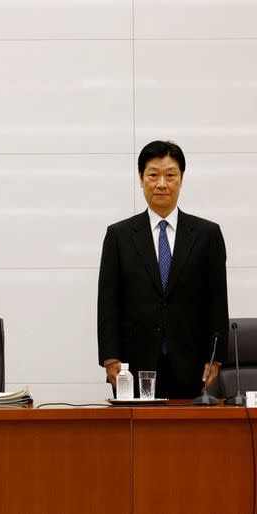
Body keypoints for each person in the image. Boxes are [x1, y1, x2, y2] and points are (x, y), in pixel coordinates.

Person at [97, 140, 229, 399]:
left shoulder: (207, 234)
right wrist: (110, 357)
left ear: (181, 179)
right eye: (153, 175)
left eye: (170, 175)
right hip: (134, 363)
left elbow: (217, 301)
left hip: (191, 363)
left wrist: (216, 359)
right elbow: (108, 302)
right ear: (141, 178)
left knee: (188, 438)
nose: (161, 184)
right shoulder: (119, 235)